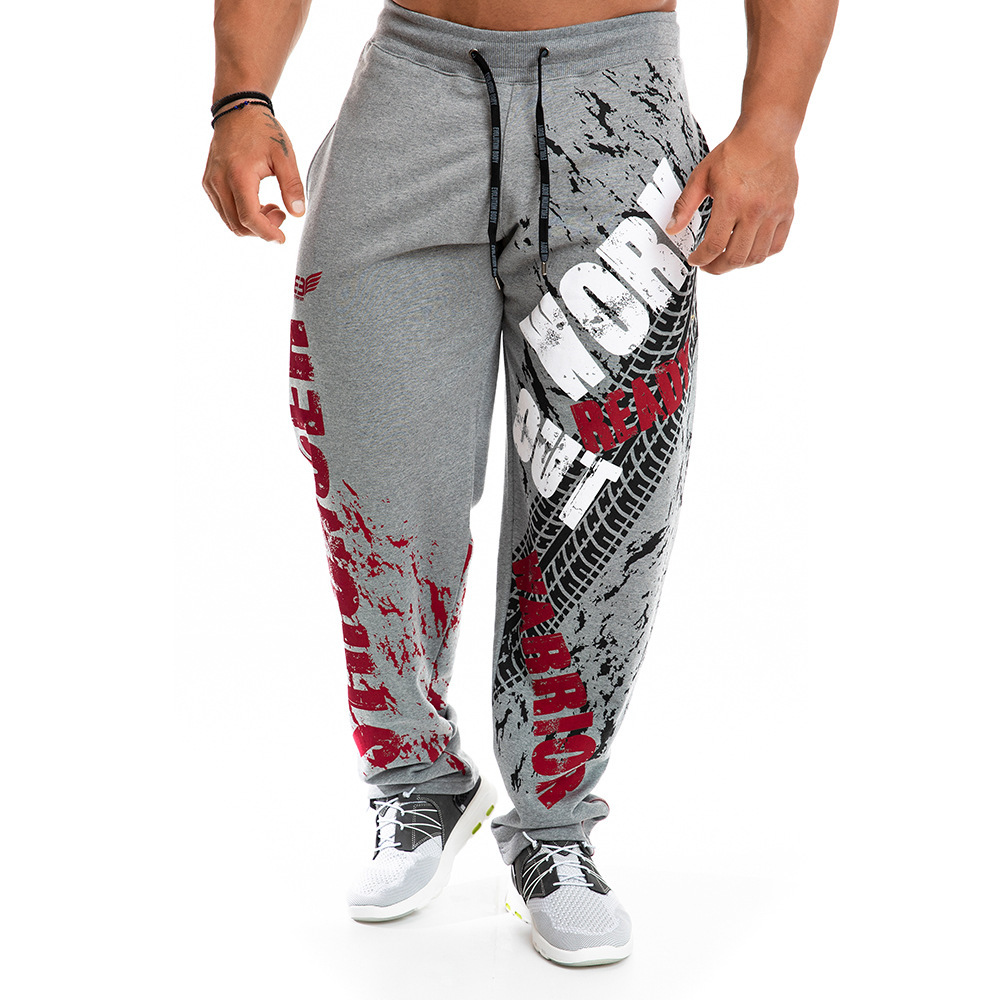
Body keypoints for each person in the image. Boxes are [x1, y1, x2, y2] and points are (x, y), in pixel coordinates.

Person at [203, 0, 838, 968]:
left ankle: (554, 826)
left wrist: (774, 126)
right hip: (408, 99)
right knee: (378, 484)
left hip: (618, 104)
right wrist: (241, 98)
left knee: (599, 501)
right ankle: (417, 778)